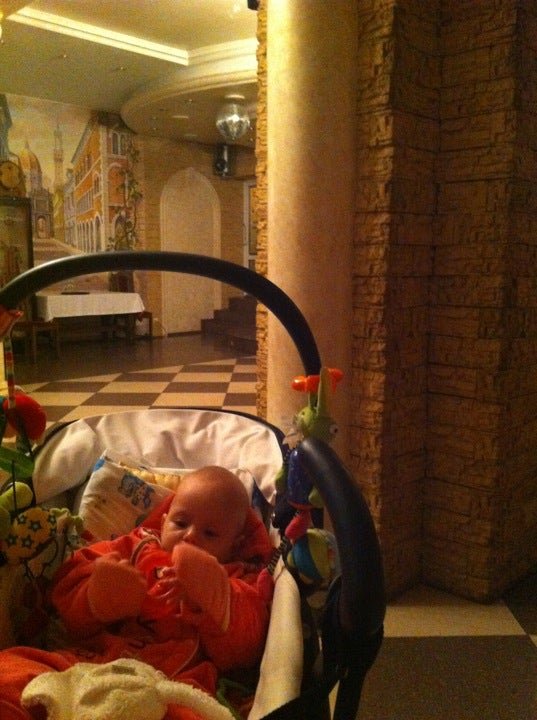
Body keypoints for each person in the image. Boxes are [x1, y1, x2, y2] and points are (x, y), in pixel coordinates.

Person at [0, 466, 274, 720]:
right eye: (180, 523)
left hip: (171, 685)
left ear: (235, 544)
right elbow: (65, 585)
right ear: (164, 520)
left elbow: (248, 647)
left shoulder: (237, 580)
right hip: (87, 663)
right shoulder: (134, 547)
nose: (190, 536)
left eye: (210, 533)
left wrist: (214, 597)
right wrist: (95, 596)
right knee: (11, 673)